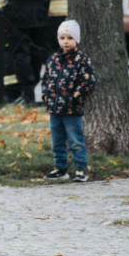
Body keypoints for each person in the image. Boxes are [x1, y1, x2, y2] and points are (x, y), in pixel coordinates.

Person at [40, 19, 96, 182]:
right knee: (57, 141)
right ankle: (60, 168)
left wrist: (76, 97)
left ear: (76, 40)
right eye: (62, 38)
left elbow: (88, 81)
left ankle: (80, 169)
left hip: (72, 109)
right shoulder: (53, 59)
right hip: (54, 109)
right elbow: (46, 79)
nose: (66, 41)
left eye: (70, 38)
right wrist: (46, 95)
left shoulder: (82, 60)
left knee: (75, 140)